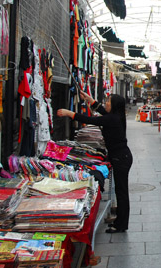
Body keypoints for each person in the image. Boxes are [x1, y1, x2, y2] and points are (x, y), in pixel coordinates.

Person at [57, 92, 132, 234]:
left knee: (121, 192)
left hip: (121, 158)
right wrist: (90, 100)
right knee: (121, 191)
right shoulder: (116, 116)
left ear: (114, 105)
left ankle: (121, 224)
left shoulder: (112, 119)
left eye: (109, 101)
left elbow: (90, 120)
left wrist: (69, 113)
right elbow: (102, 111)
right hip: (122, 157)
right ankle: (120, 221)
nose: (106, 103)